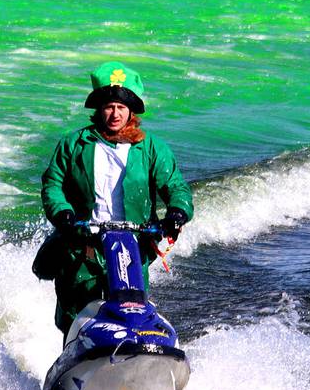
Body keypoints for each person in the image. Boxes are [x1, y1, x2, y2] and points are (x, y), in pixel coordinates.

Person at [36, 61, 193, 335]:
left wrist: (177, 213)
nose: (115, 114)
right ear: (99, 109)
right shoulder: (73, 144)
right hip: (83, 244)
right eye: (109, 106)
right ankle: (74, 365)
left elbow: (176, 185)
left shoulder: (151, 147)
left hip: (132, 246)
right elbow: (52, 184)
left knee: (132, 311)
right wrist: (64, 214)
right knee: (77, 319)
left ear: (131, 111)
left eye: (121, 107)